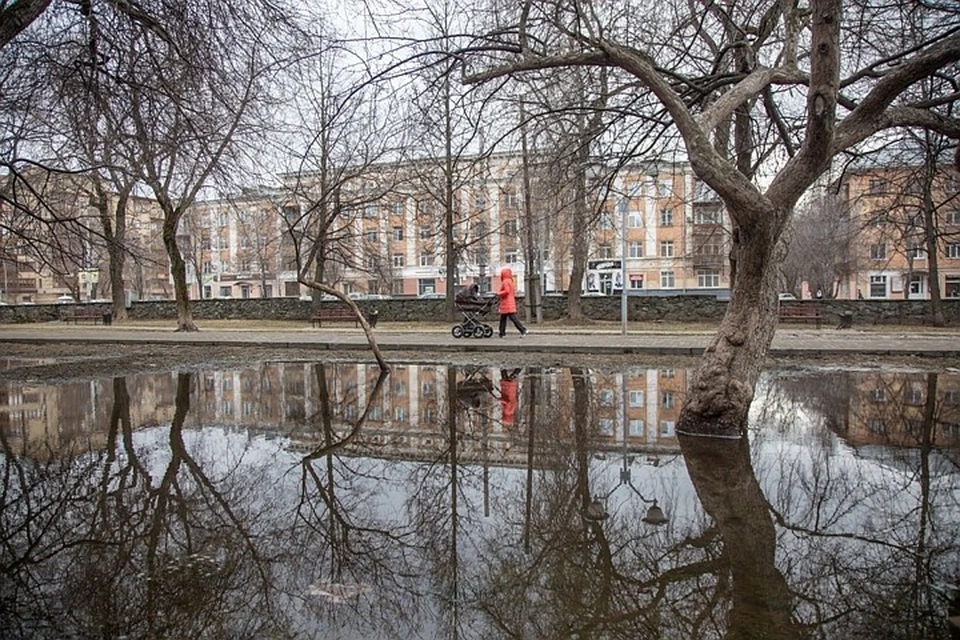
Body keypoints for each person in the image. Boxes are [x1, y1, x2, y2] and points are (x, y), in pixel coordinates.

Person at [496, 267, 527, 338]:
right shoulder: (511, 281)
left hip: (506, 303)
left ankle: (522, 330)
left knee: (510, 318)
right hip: (510, 302)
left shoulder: (505, 282)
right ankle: (502, 333)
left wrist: (499, 293)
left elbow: (506, 291)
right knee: (505, 318)